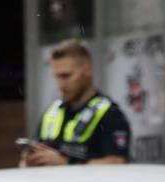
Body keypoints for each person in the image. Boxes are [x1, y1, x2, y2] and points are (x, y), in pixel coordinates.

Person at [21, 38, 131, 167]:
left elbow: (117, 164)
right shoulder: (52, 112)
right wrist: (29, 162)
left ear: (88, 70)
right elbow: (33, 156)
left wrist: (65, 163)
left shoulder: (111, 115)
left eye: (66, 76)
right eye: (57, 77)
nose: (61, 85)